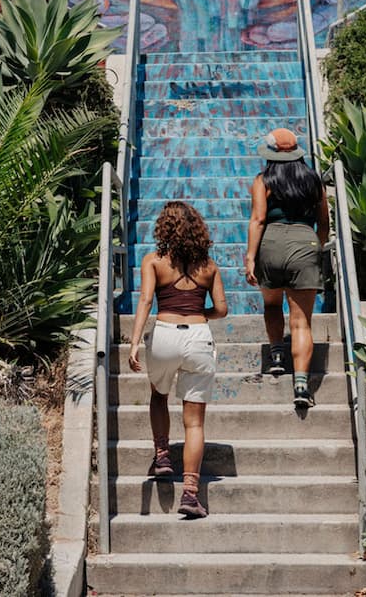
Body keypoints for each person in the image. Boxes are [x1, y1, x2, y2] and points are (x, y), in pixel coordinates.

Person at [128, 201, 228, 519]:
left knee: (159, 395)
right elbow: (222, 310)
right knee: (195, 421)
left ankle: (162, 456)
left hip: (164, 336)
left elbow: (145, 300)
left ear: (164, 228)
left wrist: (133, 344)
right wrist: (200, 313)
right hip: (199, 337)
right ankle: (190, 493)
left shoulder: (154, 261)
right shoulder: (209, 267)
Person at [244, 128, 329, 408]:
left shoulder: (263, 180)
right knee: (302, 321)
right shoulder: (314, 180)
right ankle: (302, 386)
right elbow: (324, 222)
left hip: (270, 243)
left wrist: (250, 257)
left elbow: (258, 220)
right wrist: (315, 246)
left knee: (271, 304)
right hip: (305, 242)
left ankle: (278, 355)